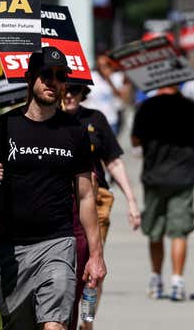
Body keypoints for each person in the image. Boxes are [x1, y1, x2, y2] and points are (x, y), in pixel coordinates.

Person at [0, 46, 107, 330]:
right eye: (47, 75)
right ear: (30, 76)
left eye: (61, 77)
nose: (54, 82)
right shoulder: (2, 127)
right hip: (12, 250)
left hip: (57, 244)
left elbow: (85, 196)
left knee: (54, 324)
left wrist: (96, 256)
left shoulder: (74, 131)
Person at [62, 83, 142, 329]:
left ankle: (87, 321)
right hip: (61, 200)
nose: (69, 95)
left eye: (75, 90)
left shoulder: (95, 119)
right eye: (65, 89)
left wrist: (131, 201)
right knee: (64, 266)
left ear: (82, 93)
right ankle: (63, 318)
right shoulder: (49, 123)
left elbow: (114, 161)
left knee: (93, 265)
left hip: (97, 199)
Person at [131, 85, 194, 301]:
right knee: (179, 231)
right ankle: (177, 281)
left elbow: (135, 141)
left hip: (154, 175)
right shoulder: (188, 105)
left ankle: (156, 279)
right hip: (183, 176)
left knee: (155, 230)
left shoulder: (147, 106)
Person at [82, 52, 132, 136]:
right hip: (92, 121)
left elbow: (125, 100)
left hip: (111, 121)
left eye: (106, 65)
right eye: (100, 65)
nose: (103, 68)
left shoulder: (117, 77)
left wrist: (109, 81)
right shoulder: (92, 77)